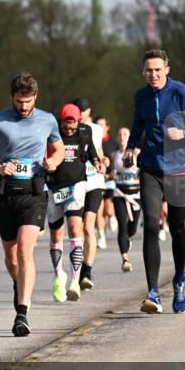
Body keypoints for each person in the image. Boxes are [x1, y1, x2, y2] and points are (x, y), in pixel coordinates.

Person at [0, 73, 64, 336]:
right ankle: (18, 282)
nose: (24, 107)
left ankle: (22, 313)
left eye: (28, 101)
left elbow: (57, 150)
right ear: (12, 97)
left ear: (36, 97)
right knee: (12, 257)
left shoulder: (47, 120)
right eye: (19, 101)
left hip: (34, 193)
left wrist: (53, 163)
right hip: (5, 194)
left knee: (25, 251)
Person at [122, 49, 185, 314]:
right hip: (150, 168)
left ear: (167, 70)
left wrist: (183, 132)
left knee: (177, 229)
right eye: (148, 70)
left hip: (179, 169)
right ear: (143, 72)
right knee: (150, 224)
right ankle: (152, 292)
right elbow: (138, 125)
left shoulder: (182, 92)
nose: (153, 75)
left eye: (158, 70)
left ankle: (180, 278)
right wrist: (130, 147)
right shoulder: (141, 96)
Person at [45, 105, 97, 302]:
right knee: (56, 235)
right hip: (54, 187)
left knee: (76, 229)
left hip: (76, 186)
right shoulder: (52, 131)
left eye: (72, 125)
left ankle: (75, 281)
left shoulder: (85, 131)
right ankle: (59, 276)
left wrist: (98, 161)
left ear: (78, 121)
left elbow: (91, 151)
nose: (68, 130)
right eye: (65, 126)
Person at [72, 98, 108, 290]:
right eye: (78, 110)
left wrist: (103, 160)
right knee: (77, 228)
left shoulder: (95, 129)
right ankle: (77, 269)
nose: (82, 114)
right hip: (76, 183)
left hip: (94, 181)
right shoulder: (68, 128)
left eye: (84, 110)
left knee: (88, 226)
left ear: (89, 111)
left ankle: (87, 271)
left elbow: (99, 150)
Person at [111, 126, 141, 272]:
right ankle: (125, 259)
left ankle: (127, 238)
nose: (122, 136)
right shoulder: (113, 155)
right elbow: (111, 172)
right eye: (120, 134)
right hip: (119, 194)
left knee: (132, 229)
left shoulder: (137, 153)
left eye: (125, 134)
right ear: (117, 138)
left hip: (136, 196)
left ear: (130, 137)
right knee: (122, 225)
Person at [96, 115, 119, 244]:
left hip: (110, 180)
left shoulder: (113, 143)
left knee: (108, 209)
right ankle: (101, 236)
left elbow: (118, 161)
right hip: (97, 179)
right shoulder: (92, 140)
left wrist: (114, 172)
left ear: (107, 127)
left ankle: (112, 216)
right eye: (97, 125)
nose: (99, 127)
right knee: (99, 210)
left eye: (101, 125)